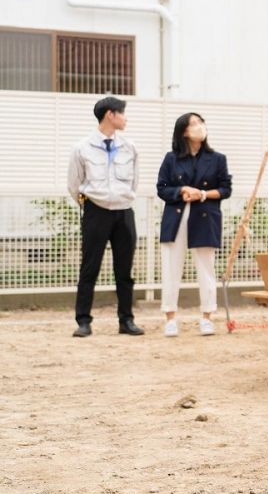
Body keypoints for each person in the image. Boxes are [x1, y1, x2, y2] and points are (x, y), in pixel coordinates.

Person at [67, 96, 144, 337]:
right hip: (96, 211)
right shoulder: (82, 148)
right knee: (89, 267)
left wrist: (125, 197)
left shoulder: (129, 147)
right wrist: (89, 203)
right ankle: (83, 321)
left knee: (125, 269)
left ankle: (126, 320)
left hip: (123, 212)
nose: (126, 118)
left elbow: (134, 181)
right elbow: (74, 183)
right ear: (110, 115)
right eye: (122, 113)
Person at [156, 113, 232, 337]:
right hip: (176, 217)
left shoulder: (217, 158)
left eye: (201, 122)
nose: (199, 127)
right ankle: (170, 317)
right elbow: (161, 188)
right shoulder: (171, 158)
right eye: (194, 124)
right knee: (171, 266)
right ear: (184, 132)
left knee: (206, 267)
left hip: (205, 216)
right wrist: (181, 190)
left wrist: (201, 194)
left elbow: (225, 189)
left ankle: (207, 316)